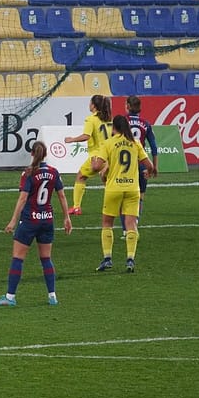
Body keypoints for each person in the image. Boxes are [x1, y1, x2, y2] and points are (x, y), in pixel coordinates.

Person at [0, 141, 72, 307]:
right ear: (46, 154)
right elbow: (62, 196)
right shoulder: (54, 172)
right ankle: (52, 296)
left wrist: (13, 220)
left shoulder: (28, 173)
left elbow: (22, 198)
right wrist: (66, 217)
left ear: (32, 154)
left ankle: (10, 297)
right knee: (46, 259)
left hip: (29, 220)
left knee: (18, 258)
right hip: (47, 219)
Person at [90, 115, 156, 273]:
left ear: (114, 128)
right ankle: (130, 260)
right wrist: (148, 172)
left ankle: (107, 259)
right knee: (131, 224)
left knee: (107, 223)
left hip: (114, 188)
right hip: (133, 189)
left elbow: (96, 167)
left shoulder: (109, 143)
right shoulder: (135, 143)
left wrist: (96, 165)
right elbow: (149, 165)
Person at [63, 94, 113, 215]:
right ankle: (114, 206)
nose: (89, 105)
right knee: (107, 181)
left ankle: (76, 207)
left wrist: (72, 139)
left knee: (81, 176)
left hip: (97, 156)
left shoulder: (91, 119)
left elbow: (86, 136)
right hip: (109, 156)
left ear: (94, 105)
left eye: (90, 102)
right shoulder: (108, 119)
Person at [123, 95, 159, 227]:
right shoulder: (146, 124)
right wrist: (154, 166)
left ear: (128, 106)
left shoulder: (122, 121)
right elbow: (154, 147)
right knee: (140, 196)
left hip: (125, 164)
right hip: (142, 164)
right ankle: (135, 223)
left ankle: (126, 229)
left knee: (125, 196)